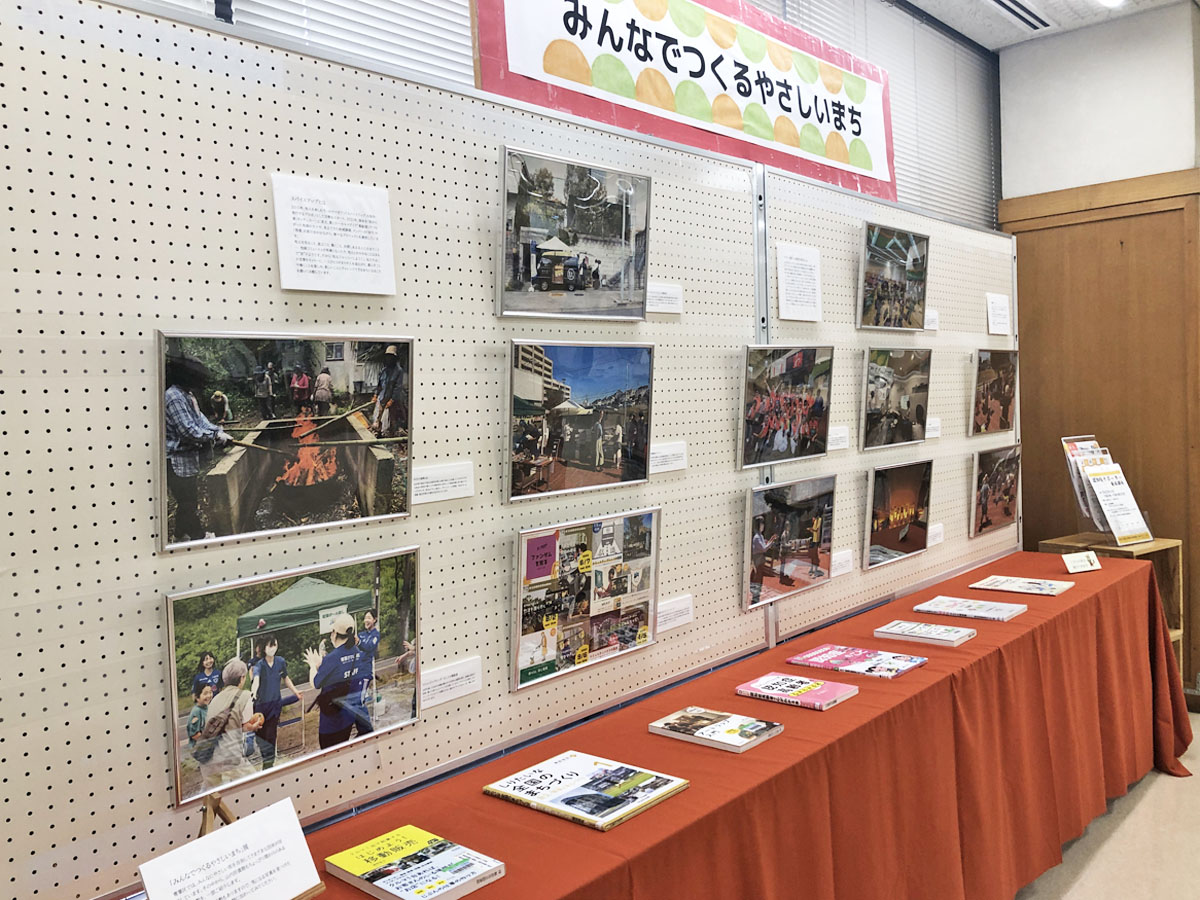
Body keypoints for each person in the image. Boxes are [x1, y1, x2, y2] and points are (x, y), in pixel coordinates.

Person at [164, 355, 232, 543]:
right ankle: (198, 537)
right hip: (176, 459)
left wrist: (217, 431)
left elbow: (200, 420)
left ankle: (179, 535)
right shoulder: (173, 396)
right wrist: (214, 436)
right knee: (187, 501)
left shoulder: (188, 395)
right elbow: (188, 430)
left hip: (187, 458)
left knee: (188, 500)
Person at [304, 613, 371, 749]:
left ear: (334, 633)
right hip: (347, 719)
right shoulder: (357, 652)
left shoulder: (332, 658)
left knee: (329, 756)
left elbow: (316, 683)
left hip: (330, 722)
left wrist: (313, 665)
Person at [197, 658, 261, 788]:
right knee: (255, 784)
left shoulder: (215, 698)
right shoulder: (245, 696)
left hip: (208, 757)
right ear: (242, 678)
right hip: (230, 757)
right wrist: (254, 726)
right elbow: (245, 725)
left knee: (211, 795)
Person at [250, 635, 302, 770]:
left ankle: (269, 766)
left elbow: (286, 678)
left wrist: (295, 691)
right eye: (269, 645)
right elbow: (256, 678)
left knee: (271, 735)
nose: (272, 648)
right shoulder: (260, 665)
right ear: (264, 648)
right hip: (260, 706)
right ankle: (266, 760)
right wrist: (253, 692)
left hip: (274, 705)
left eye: (274, 645)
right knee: (261, 737)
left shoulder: (280, 662)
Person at [371, 344, 406, 437]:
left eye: (391, 357)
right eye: (387, 357)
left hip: (392, 400)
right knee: (376, 417)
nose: (389, 359)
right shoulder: (384, 370)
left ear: (394, 358)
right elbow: (379, 384)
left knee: (387, 421)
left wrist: (392, 400)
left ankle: (386, 436)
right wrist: (375, 395)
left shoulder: (399, 371)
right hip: (381, 398)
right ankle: (376, 432)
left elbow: (397, 387)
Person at [357, 609, 381, 707]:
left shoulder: (376, 634)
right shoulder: (361, 634)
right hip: (356, 670)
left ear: (375, 620)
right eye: (365, 618)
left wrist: (359, 643)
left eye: (369, 618)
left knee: (360, 699)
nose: (366, 620)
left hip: (365, 671)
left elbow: (369, 647)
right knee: (356, 696)